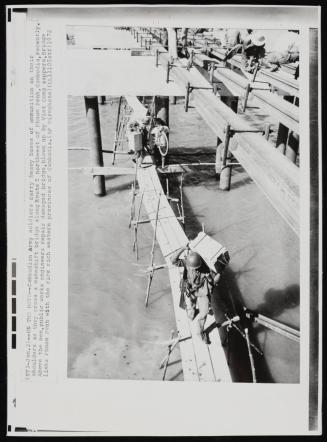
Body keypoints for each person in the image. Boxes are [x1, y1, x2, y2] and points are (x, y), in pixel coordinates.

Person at [170, 244, 221, 344]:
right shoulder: (187, 263)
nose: (194, 269)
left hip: (202, 291)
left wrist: (215, 275)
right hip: (190, 290)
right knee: (191, 306)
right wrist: (182, 248)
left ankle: (200, 332)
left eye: (196, 268)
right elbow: (173, 261)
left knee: (205, 312)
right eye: (192, 268)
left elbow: (214, 281)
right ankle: (192, 313)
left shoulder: (206, 267)